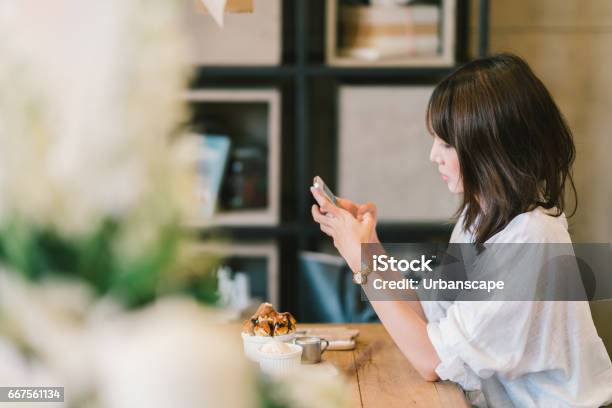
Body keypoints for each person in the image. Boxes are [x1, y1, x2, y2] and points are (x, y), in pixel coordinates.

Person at [310, 53, 612, 407]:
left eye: (446, 143)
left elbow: (431, 361)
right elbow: (428, 316)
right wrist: (369, 247)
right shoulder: (478, 217)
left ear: (488, 147)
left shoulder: (530, 238)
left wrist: (359, 261)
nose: (433, 155)